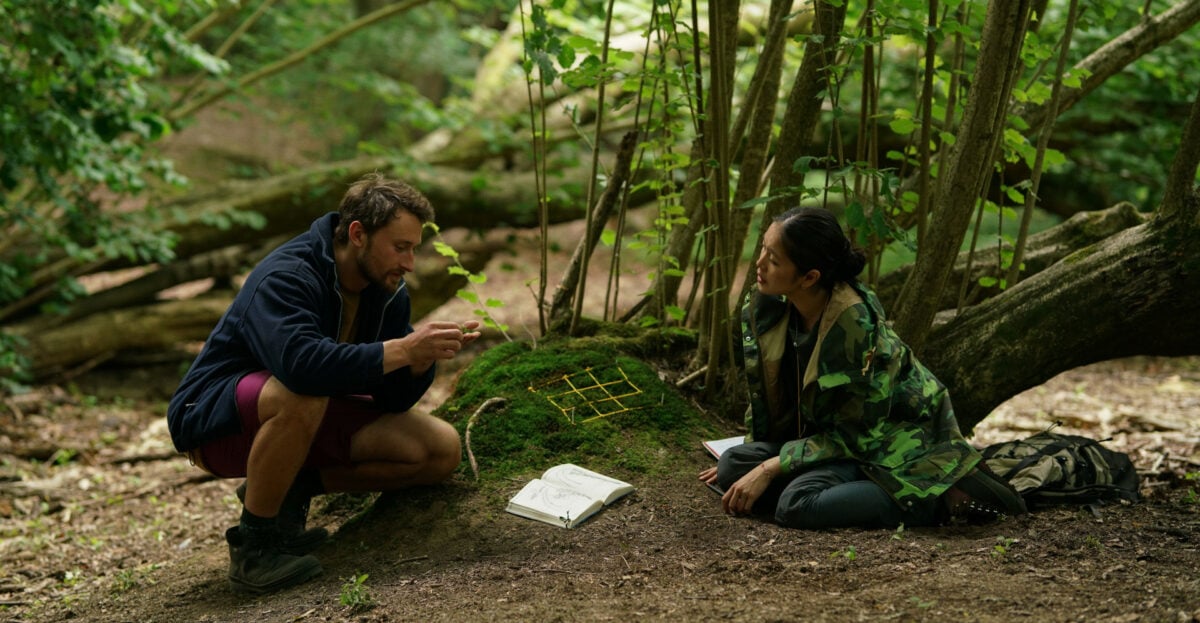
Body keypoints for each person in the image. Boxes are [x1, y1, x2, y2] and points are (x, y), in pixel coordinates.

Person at [167, 173, 481, 594]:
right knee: (303, 391)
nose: (408, 263)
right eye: (400, 247)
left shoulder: (387, 291)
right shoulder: (287, 274)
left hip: (305, 414)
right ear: (357, 234)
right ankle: (255, 547)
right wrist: (403, 350)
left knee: (439, 450)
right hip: (213, 421)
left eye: (414, 249)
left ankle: (291, 489)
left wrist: (419, 362)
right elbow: (302, 368)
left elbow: (391, 398)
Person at [699, 207, 1025, 530]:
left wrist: (771, 468)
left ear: (810, 277)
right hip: (830, 438)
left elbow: (857, 435)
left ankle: (933, 501)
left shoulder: (853, 327)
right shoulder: (771, 305)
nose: (759, 265)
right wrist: (753, 464)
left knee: (795, 505)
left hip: (890, 445)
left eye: (773, 259)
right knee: (732, 466)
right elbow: (770, 394)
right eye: (763, 250)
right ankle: (829, 489)